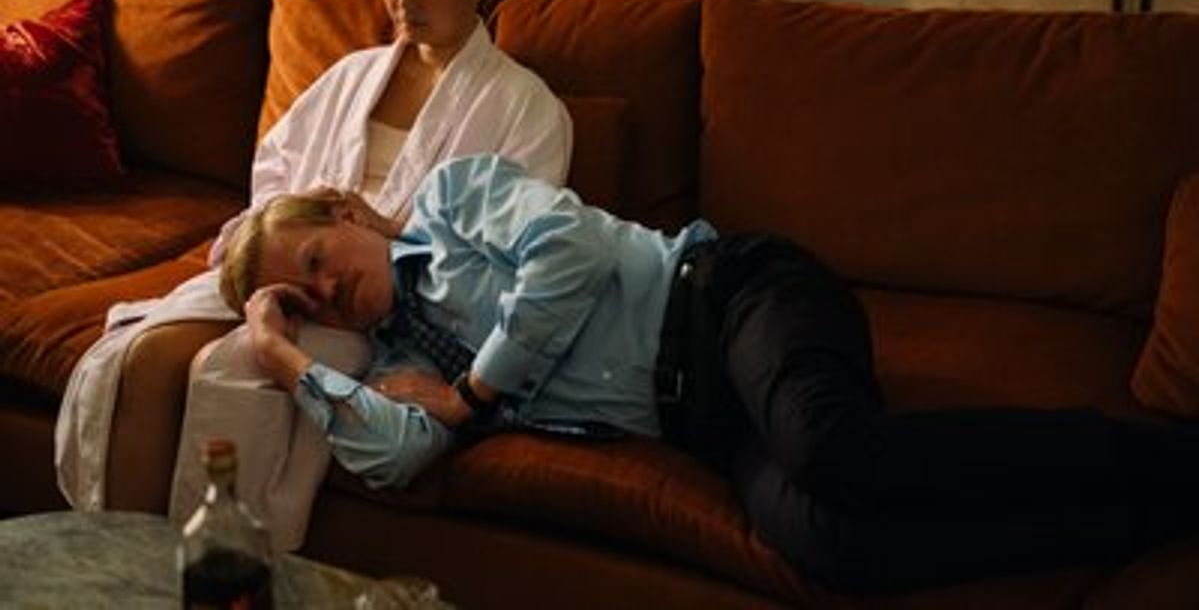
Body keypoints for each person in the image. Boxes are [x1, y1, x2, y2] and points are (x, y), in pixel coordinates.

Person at [222, 153, 1199, 594]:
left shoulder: (451, 198)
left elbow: (571, 249)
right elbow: (399, 457)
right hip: (705, 421)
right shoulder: (395, 363)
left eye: (318, 261)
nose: (328, 292)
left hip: (733, 297)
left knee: (831, 445)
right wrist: (283, 354)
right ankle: (1151, 516)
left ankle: (1168, 457)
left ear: (344, 210)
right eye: (308, 302)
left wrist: (475, 393)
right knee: (829, 544)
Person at [54, 0, 573, 551]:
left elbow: (507, 254)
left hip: (374, 302)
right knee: (142, 357)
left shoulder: (526, 107)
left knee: (228, 365)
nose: (403, 0)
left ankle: (219, 569)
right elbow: (273, 173)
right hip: (287, 262)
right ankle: (120, 572)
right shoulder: (352, 74)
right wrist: (298, 219)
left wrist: (386, 228)